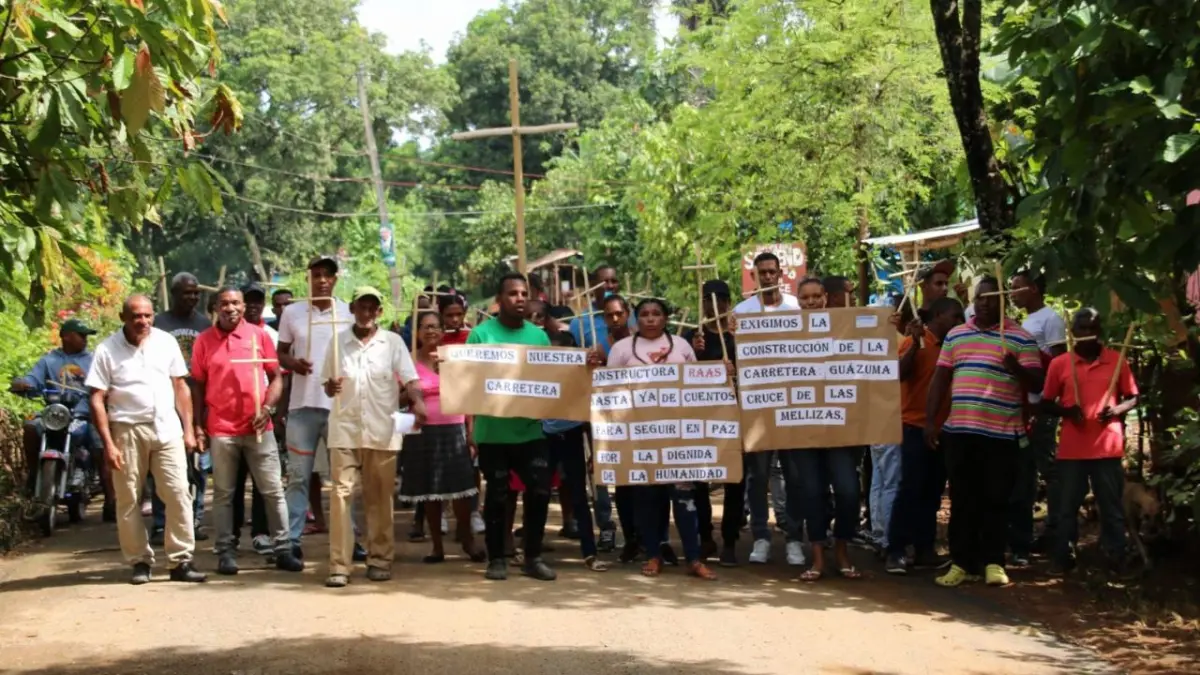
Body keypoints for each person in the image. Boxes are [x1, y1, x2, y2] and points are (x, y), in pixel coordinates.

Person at [926, 276, 1043, 588]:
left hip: (1002, 433)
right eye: (980, 298)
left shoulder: (1020, 338)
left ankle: (993, 562)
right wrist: (930, 421)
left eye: (992, 298)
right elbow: (940, 380)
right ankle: (961, 563)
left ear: (1003, 301)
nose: (985, 303)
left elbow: (1037, 384)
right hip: (960, 431)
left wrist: (1013, 366)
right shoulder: (956, 335)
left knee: (996, 499)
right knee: (963, 499)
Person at [86, 295, 206, 585]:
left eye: (148, 316)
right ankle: (139, 561)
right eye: (136, 316)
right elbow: (96, 398)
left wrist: (188, 429)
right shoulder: (106, 349)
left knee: (178, 492)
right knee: (128, 499)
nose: (143, 322)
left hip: (166, 428)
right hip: (126, 430)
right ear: (122, 317)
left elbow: (180, 386)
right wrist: (109, 444)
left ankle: (181, 560)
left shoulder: (165, 342)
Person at [190, 287, 304, 576]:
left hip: (258, 427)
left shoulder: (258, 335)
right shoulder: (204, 341)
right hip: (222, 428)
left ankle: (282, 548)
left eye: (236, 303)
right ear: (215, 307)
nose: (231, 308)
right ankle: (226, 551)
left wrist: (268, 408)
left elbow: (276, 377)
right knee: (225, 494)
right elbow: (198, 385)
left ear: (243, 306)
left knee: (273, 491)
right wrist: (198, 425)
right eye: (225, 303)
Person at [320, 287, 427, 587]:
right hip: (344, 428)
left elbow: (411, 380)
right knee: (341, 496)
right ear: (352, 308)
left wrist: (417, 402)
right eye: (361, 307)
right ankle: (339, 565)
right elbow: (327, 386)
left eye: (372, 308)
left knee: (379, 497)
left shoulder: (392, 343)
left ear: (379, 312)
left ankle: (380, 558)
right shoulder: (337, 341)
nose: (366, 313)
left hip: (382, 430)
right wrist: (330, 387)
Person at [607, 297, 716, 580]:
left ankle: (693, 558)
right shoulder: (621, 350)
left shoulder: (681, 346)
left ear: (665, 318)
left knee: (684, 499)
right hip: (639, 438)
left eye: (656, 314)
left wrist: (721, 375)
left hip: (678, 437)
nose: (651, 319)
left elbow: (698, 384)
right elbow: (608, 393)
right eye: (644, 314)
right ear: (636, 319)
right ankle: (653, 555)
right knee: (647, 499)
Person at [467, 272, 557, 581]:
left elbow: (553, 378)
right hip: (493, 434)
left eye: (523, 293)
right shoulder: (480, 336)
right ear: (499, 300)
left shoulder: (539, 337)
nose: (519, 298)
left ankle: (532, 556)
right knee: (497, 495)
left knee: (541, 490)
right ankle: (497, 559)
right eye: (512, 294)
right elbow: (466, 381)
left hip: (531, 431)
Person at [1040, 309, 1137, 574]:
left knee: (1111, 508)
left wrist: (1117, 410)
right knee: (1066, 508)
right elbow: (1046, 404)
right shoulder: (1060, 364)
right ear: (1072, 332)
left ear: (1100, 330)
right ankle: (1063, 559)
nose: (1087, 333)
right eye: (1081, 328)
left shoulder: (1117, 361)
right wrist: (1068, 411)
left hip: (1107, 447)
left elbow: (1133, 396)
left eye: (1092, 327)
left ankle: (1116, 560)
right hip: (1072, 450)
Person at [782, 281, 863, 581]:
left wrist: (888, 325)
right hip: (801, 428)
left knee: (848, 491)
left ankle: (841, 548)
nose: (812, 301)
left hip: (839, 426)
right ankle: (817, 557)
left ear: (826, 298)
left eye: (817, 296)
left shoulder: (843, 327)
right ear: (798, 301)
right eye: (806, 297)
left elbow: (872, 350)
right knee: (812, 492)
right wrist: (742, 332)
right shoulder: (783, 331)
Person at [276, 255, 354, 560]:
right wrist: (295, 363)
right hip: (302, 406)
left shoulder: (347, 312)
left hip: (339, 407)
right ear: (308, 278)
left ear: (335, 280)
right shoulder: (293, 313)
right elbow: (280, 353)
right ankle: (291, 541)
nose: (322, 280)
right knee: (298, 476)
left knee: (344, 478)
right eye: (316, 275)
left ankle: (349, 539)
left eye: (327, 275)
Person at [398, 308, 485, 565]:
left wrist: (471, 432)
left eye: (436, 326)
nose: (432, 331)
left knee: (461, 491)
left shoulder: (454, 358)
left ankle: (467, 540)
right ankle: (437, 547)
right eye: (426, 327)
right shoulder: (408, 363)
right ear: (417, 333)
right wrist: (413, 394)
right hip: (421, 432)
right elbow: (395, 398)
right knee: (431, 493)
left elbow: (467, 397)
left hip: (454, 429)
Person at [885, 297, 964, 574]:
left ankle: (924, 549)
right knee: (910, 489)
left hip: (945, 429)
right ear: (939, 315)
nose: (959, 322)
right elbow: (898, 375)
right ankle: (895, 549)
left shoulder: (954, 346)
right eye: (955, 317)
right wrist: (914, 347)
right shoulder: (915, 342)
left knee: (932, 493)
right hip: (914, 427)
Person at [10, 318, 112, 520]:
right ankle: (33, 476)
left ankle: (111, 501)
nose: (85, 339)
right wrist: (23, 384)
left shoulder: (92, 360)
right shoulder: (49, 361)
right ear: (66, 336)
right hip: (55, 414)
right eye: (81, 335)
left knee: (101, 447)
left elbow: (106, 383)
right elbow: (33, 379)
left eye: (86, 336)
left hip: (85, 414)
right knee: (31, 427)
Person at [1007, 271, 1068, 566]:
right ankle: (1025, 532)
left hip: (1040, 406)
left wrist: (1046, 401)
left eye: (1017, 288)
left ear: (1033, 289)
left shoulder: (1050, 319)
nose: (1012, 293)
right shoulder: (1024, 322)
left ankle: (1058, 527)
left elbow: (1059, 362)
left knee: (1047, 466)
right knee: (1025, 469)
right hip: (1023, 406)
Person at [682, 280, 742, 566]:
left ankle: (730, 539)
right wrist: (695, 356)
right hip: (699, 416)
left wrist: (735, 365)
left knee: (735, 479)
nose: (714, 303)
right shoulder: (690, 335)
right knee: (698, 479)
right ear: (701, 301)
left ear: (729, 302)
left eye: (721, 297)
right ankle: (705, 536)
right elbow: (677, 374)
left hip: (733, 416)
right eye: (708, 297)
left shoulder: (737, 335)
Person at [151, 272, 212, 544]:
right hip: (165, 402)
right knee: (162, 467)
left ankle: (195, 518)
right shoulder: (159, 323)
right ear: (174, 294)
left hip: (198, 401)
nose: (193, 297)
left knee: (198, 465)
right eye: (187, 293)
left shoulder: (204, 324)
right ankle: (161, 522)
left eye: (196, 293)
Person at [567, 265, 622, 353]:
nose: (610, 286)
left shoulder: (631, 316)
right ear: (593, 285)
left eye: (614, 281)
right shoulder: (580, 323)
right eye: (605, 282)